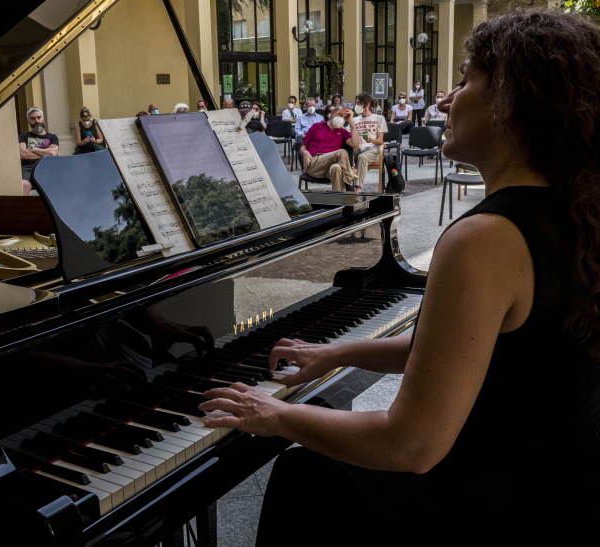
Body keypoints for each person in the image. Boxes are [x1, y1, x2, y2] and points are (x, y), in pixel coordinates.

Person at [199, 9, 600, 538]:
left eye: (465, 81)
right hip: (561, 483)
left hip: (502, 502)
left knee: (307, 473)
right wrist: (337, 353)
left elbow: (409, 445)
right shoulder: (575, 211)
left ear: (513, 100)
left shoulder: (486, 239)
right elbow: (467, 350)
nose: (444, 100)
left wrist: (271, 415)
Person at [300, 107, 359, 191]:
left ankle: (338, 201)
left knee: (336, 168)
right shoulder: (317, 126)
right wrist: (305, 152)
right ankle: (349, 182)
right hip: (314, 163)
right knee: (341, 152)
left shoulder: (342, 131)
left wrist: (351, 122)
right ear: (331, 114)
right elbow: (303, 146)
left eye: (343, 116)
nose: (340, 118)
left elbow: (356, 145)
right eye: (339, 114)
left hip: (330, 167)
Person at [19, 107, 58, 195]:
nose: (36, 121)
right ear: (29, 121)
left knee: (55, 184)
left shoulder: (52, 137)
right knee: (24, 185)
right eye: (33, 118)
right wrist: (46, 151)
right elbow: (23, 154)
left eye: (38, 117)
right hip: (27, 168)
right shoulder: (24, 136)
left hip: (46, 167)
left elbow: (53, 154)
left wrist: (33, 149)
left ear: (43, 119)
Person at [351, 92, 387, 187]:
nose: (357, 106)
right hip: (357, 148)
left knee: (362, 157)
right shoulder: (354, 120)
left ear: (367, 104)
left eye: (359, 103)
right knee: (344, 153)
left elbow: (380, 141)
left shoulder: (379, 118)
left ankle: (358, 188)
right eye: (356, 103)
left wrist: (371, 140)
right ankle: (344, 184)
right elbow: (347, 136)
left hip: (372, 148)